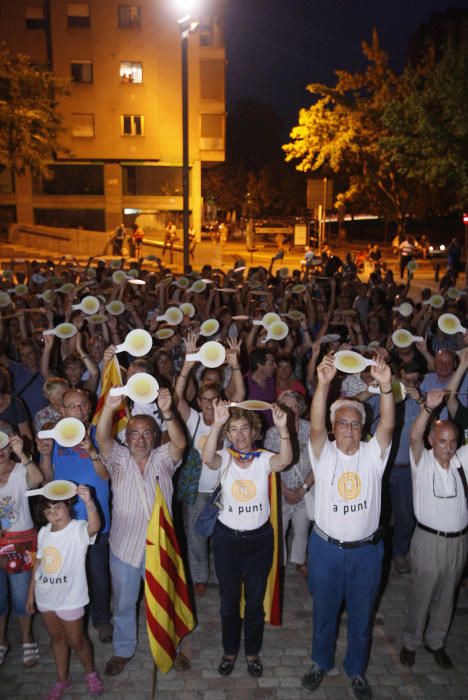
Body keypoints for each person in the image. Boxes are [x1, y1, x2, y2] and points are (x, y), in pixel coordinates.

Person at [303, 353, 394, 700]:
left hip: (367, 553)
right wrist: (324, 384)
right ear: (333, 428)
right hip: (326, 550)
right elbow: (313, 427)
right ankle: (319, 663)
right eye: (342, 423)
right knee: (324, 613)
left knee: (361, 617)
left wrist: (386, 386)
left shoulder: (373, 455)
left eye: (355, 424)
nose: (350, 429)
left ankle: (356, 670)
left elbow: (387, 425)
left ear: (362, 428)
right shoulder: (323, 455)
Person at [95, 388, 186, 676]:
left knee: (166, 600)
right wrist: (109, 408)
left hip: (161, 548)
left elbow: (180, 444)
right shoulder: (118, 459)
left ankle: (172, 645)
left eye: (148, 433)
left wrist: (168, 413)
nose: (141, 439)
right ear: (126, 437)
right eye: (134, 433)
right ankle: (124, 649)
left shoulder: (164, 459)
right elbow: (102, 439)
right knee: (123, 603)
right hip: (124, 548)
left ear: (156, 437)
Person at [202, 402, 292, 678]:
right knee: (229, 602)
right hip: (227, 540)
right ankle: (230, 651)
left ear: (254, 432)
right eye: (234, 430)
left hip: (259, 540)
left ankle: (252, 651)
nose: (240, 435)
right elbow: (208, 459)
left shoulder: (264, 458)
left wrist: (283, 429)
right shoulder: (225, 457)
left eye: (244, 429)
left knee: (254, 601)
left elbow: (284, 461)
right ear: (228, 434)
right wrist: (217, 424)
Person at [399, 389, 467, 670]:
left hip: (460, 542)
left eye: (452, 442)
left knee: (448, 595)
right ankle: (411, 642)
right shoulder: (422, 461)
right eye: (442, 441)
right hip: (428, 540)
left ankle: (436, 641)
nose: (448, 447)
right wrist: (428, 408)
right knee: (422, 593)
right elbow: (413, 437)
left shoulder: (463, 461)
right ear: (431, 441)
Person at [38, 389, 113, 644]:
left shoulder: (100, 434)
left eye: (82, 406)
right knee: (70, 576)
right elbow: (47, 480)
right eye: (72, 406)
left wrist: (92, 450)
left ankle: (102, 620)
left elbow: (106, 475)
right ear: (62, 410)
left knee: (98, 574)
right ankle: (74, 621)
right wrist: (46, 455)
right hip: (65, 524)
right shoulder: (54, 438)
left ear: (90, 407)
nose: (78, 411)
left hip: (95, 519)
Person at [26, 485, 104, 699]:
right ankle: (62, 679)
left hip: (70, 598)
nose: (54, 514)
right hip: (46, 597)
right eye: (48, 510)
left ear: (68, 505)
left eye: (58, 507)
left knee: (77, 640)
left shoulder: (77, 529)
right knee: (57, 639)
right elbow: (39, 562)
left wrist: (89, 502)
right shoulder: (43, 533)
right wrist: (31, 593)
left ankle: (90, 673)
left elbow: (94, 527)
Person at [0, 422, 43, 669]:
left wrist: (23, 455)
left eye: (5, 442)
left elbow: (37, 479)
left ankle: (27, 638)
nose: (1, 449)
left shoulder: (19, 471)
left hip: (20, 542)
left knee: (20, 597)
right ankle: (2, 641)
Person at [264, 391, 314, 577]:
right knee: (279, 529)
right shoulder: (271, 433)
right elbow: (269, 466)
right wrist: (285, 491)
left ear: (300, 408)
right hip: (281, 492)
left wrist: (302, 490)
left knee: (302, 529)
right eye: (284, 406)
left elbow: (319, 464)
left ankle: (300, 560)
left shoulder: (311, 430)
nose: (290, 411)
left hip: (305, 489)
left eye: (293, 406)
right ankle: (279, 563)